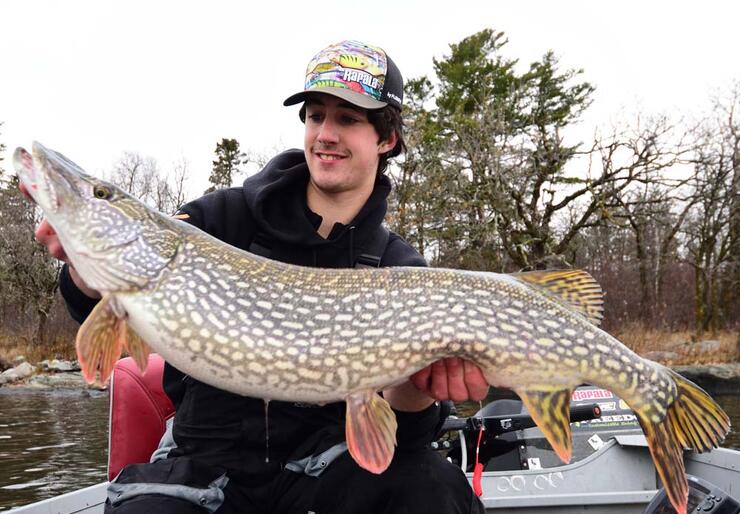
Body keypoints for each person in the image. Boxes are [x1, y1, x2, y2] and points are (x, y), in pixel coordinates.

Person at [24, 40, 489, 513]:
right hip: (206, 466)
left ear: (386, 139)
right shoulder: (219, 218)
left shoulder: (400, 267)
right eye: (315, 116)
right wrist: (85, 269)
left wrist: (421, 386)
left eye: (347, 119)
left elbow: (406, 436)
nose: (325, 133)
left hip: (326, 468)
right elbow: (93, 303)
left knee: (432, 487)